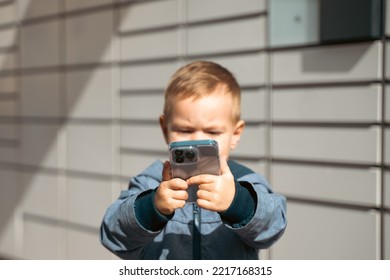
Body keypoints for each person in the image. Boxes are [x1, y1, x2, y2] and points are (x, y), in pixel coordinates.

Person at [100, 61, 287, 260]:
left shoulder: (245, 182)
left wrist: (237, 202)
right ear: (165, 129)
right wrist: (152, 207)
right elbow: (113, 235)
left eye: (212, 132)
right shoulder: (150, 182)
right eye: (184, 130)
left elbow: (273, 226)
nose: (197, 140)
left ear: (236, 134)